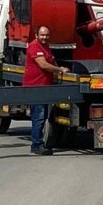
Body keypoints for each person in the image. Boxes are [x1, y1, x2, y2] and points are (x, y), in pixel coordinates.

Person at [24, 25, 67, 155]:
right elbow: (43, 64)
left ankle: (39, 143)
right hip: (35, 86)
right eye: (42, 35)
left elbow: (52, 62)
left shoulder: (46, 46)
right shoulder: (34, 46)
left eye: (47, 35)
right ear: (37, 35)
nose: (45, 37)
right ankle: (36, 145)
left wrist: (60, 69)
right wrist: (60, 70)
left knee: (42, 116)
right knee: (39, 116)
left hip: (44, 86)